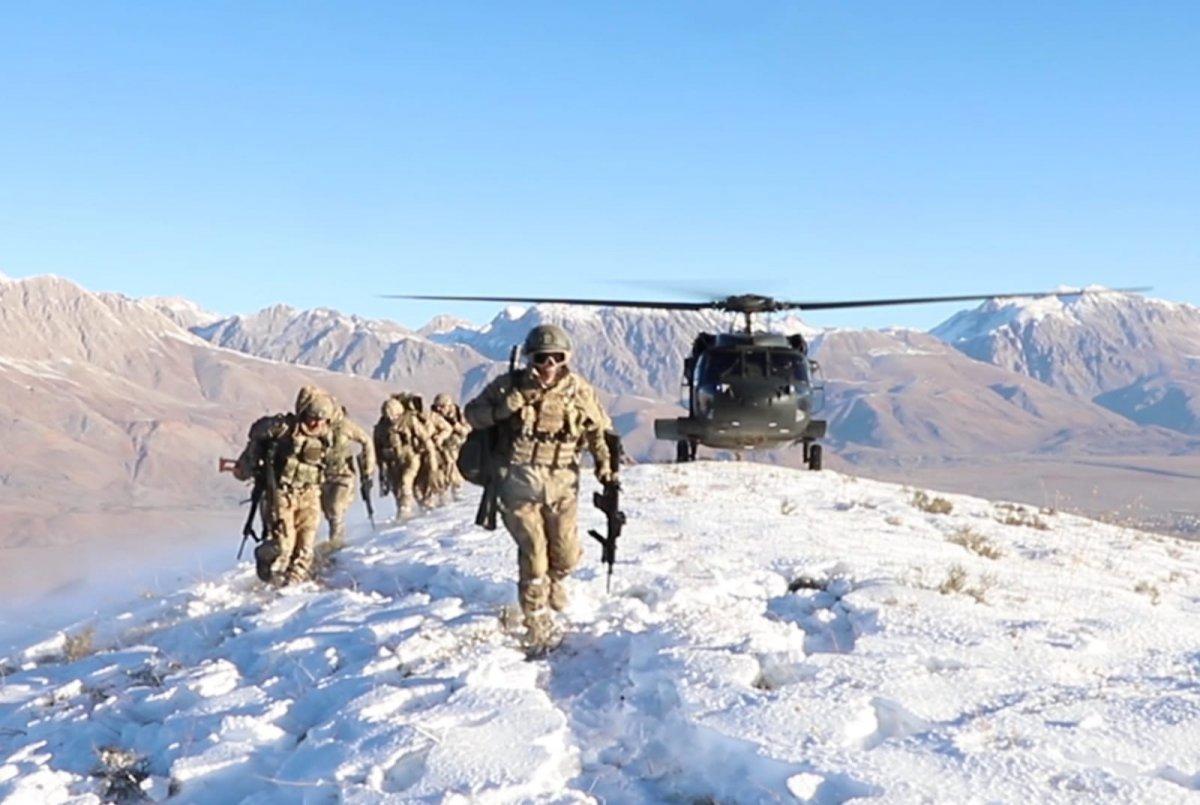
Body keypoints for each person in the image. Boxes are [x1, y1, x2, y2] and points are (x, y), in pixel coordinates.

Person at [464, 324, 615, 648]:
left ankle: (557, 581)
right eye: (541, 359)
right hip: (518, 483)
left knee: (566, 554)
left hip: (562, 483)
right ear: (531, 359)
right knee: (534, 552)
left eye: (556, 358)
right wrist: (505, 408)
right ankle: (535, 621)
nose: (548, 366)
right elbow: (472, 415)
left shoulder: (579, 391)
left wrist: (605, 464)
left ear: (565, 359)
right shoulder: (508, 386)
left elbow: (598, 431)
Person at [261, 387, 335, 585]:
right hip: (282, 494)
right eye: (312, 417)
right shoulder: (283, 430)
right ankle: (271, 571)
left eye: (321, 419)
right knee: (284, 545)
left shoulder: (326, 434)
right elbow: (257, 437)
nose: (316, 423)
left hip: (309, 494)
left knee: (306, 546)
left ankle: (292, 584)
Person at [320, 398, 376, 544]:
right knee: (327, 512)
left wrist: (368, 468)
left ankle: (336, 542)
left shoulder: (345, 426)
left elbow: (366, 441)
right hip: (323, 476)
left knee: (336, 508)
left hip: (343, 475)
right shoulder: (317, 426)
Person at [374, 394, 434, 520]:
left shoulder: (409, 420)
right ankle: (405, 509)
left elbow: (425, 438)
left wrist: (431, 458)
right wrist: (381, 467)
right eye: (388, 417)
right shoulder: (380, 428)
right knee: (397, 490)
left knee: (406, 482)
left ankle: (406, 510)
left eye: (394, 416)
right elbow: (377, 449)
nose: (392, 420)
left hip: (410, 458)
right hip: (393, 463)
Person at [430, 392, 471, 501]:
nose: (439, 410)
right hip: (440, 446)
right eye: (437, 407)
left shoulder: (458, 414)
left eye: (442, 407)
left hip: (457, 444)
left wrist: (455, 425)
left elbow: (466, 430)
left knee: (452, 464)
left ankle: (457, 488)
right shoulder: (434, 416)